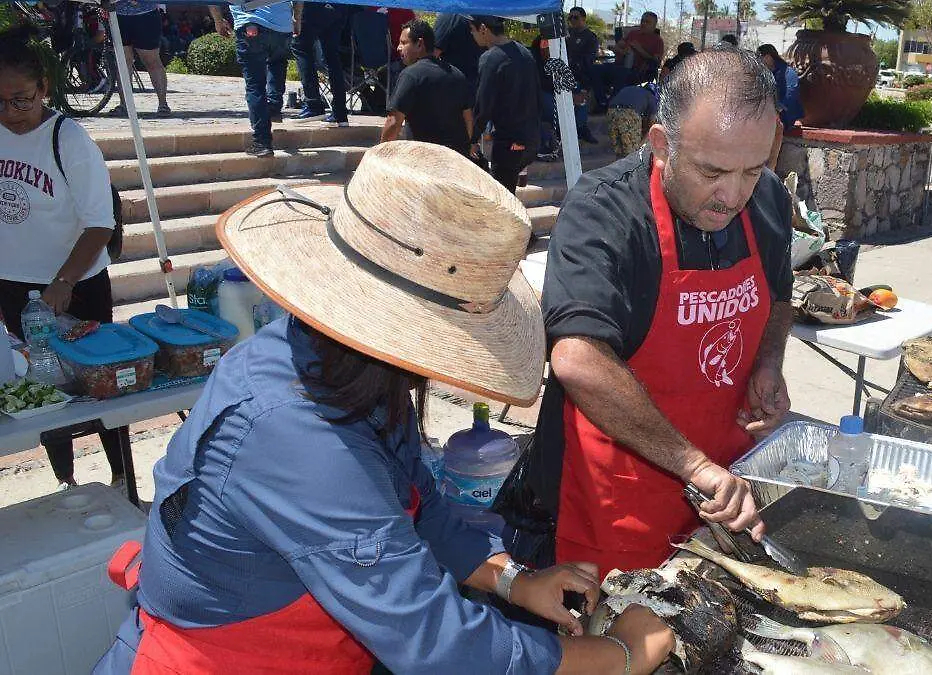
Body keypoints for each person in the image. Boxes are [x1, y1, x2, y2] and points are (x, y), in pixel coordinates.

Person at [91, 141, 675, 674]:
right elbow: (438, 644)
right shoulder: (293, 429)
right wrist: (618, 655)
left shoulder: (343, 370)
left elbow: (414, 503)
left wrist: (514, 581)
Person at [502, 49, 794, 578]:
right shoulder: (602, 211)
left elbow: (778, 297)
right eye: (712, 171)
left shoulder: (767, 199)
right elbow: (577, 359)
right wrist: (695, 466)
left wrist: (768, 364)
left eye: (751, 170)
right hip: (618, 493)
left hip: (725, 487)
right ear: (661, 145)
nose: (732, 195)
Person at [0, 28, 130, 492]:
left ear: (44, 90)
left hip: (77, 285)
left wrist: (64, 281)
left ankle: (120, 476)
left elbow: (100, 223)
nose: (10, 114)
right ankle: (67, 481)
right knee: (42, 388)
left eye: (21, 100)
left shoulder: (68, 139)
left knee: (99, 386)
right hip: (14, 285)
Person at [209, 1, 293, 157]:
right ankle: (273, 107)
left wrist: (218, 20)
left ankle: (262, 141)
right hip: (283, 24)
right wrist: (297, 19)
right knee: (277, 63)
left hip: (251, 22)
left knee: (255, 84)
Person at [468, 15, 540, 194]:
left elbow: (483, 105)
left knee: (501, 200)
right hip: (530, 140)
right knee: (509, 194)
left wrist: (471, 139)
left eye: (472, 30)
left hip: (510, 142)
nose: (471, 34)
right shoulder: (525, 53)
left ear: (483, 29)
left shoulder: (491, 58)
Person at [381, 19, 473, 156]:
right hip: (456, 158)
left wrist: (381, 155)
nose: (399, 47)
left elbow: (393, 122)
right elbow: (468, 119)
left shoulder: (411, 75)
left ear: (419, 44)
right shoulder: (457, 74)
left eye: (404, 42)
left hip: (425, 159)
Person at [289, 1, 351, 126]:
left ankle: (313, 105)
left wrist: (296, 17)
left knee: (300, 47)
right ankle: (340, 114)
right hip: (340, 6)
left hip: (315, 6)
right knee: (332, 56)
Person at [110, 0, 170, 118]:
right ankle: (124, 104)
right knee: (123, 61)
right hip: (118, 15)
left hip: (146, 14)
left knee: (151, 60)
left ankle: (163, 104)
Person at [594, 12, 663, 111]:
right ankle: (602, 101)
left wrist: (640, 50)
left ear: (654, 25)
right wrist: (621, 50)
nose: (643, 23)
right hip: (618, 64)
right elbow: (619, 45)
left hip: (638, 71)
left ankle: (612, 106)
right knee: (595, 69)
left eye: (647, 22)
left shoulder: (657, 40)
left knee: (622, 74)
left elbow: (656, 62)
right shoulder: (633, 33)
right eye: (642, 21)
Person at [756, 43, 804, 172]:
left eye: (760, 57)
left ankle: (769, 167)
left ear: (768, 57)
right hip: (769, 114)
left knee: (775, 125)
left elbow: (791, 93)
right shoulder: (765, 74)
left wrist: (777, 109)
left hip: (785, 116)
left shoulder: (788, 73)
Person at [565, 7, 600, 144]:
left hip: (581, 76)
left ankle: (581, 129)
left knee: (581, 102)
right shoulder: (567, 35)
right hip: (565, 75)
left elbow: (589, 60)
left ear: (583, 19)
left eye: (575, 17)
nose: (572, 20)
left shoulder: (590, 37)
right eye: (570, 17)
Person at [606, 78, 659, 157]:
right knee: (632, 153)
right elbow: (652, 126)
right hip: (628, 114)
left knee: (619, 150)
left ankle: (621, 168)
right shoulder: (651, 96)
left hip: (611, 111)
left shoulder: (630, 89)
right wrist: (641, 143)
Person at [434, 13, 484, 92]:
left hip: (453, 87)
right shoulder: (485, 13)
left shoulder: (449, 16)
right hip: (479, 85)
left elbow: (432, 54)